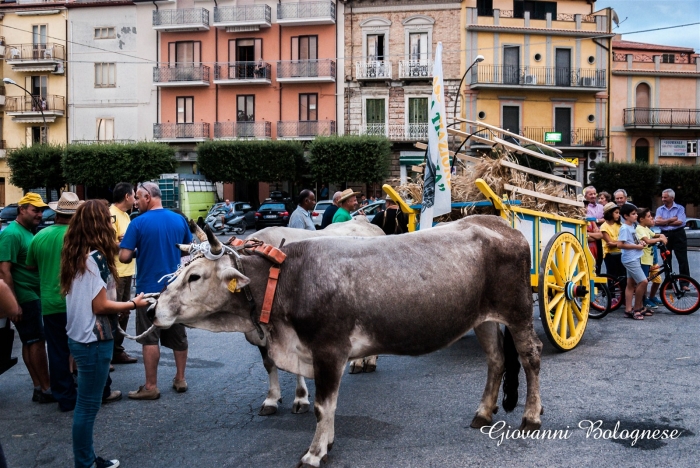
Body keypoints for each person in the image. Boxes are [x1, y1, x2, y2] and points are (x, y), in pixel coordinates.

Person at [60, 200, 148, 468]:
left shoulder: (76, 253)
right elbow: (100, 306)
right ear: (100, 224)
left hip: (79, 337)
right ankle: (85, 462)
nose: (112, 224)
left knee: (85, 406)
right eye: (108, 220)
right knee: (87, 407)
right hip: (93, 340)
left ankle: (85, 459)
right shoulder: (95, 258)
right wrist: (134, 303)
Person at [28, 192, 121, 413]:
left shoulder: (39, 237)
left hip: (50, 302)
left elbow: (31, 267)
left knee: (58, 352)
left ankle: (65, 397)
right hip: (79, 302)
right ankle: (102, 390)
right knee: (92, 344)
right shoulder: (80, 236)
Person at [119, 182, 192, 400]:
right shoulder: (179, 219)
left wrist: (136, 250)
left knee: (150, 338)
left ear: (148, 197)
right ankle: (180, 379)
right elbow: (187, 252)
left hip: (148, 291)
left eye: (139, 197)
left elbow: (123, 256)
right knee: (178, 335)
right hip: (174, 289)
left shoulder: (138, 223)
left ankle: (151, 387)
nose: (136, 202)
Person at [0, 192, 53, 403]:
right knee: (36, 342)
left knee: (30, 341)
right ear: (22, 210)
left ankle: (39, 387)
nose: (39, 214)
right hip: (25, 296)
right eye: (35, 210)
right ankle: (46, 387)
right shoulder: (11, 234)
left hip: (31, 294)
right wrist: (13, 303)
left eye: (41, 210)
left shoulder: (26, 231)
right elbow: (4, 270)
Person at [109, 183, 138, 365]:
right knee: (114, 313)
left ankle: (117, 351)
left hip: (127, 271)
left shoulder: (126, 216)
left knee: (125, 312)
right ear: (127, 196)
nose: (135, 199)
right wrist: (127, 243)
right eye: (134, 195)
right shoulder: (111, 215)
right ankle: (109, 352)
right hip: (116, 272)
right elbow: (107, 243)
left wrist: (127, 242)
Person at [617, 204, 648, 320]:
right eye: (633, 214)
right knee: (643, 282)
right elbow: (620, 244)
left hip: (634, 257)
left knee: (630, 284)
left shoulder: (632, 226)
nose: (636, 216)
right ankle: (637, 308)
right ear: (626, 216)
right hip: (630, 259)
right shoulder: (624, 228)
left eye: (636, 213)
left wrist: (640, 243)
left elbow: (633, 240)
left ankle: (628, 309)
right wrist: (636, 246)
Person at [655, 189, 690, 284]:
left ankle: (685, 283)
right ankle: (668, 283)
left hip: (678, 234)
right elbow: (657, 222)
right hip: (665, 235)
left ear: (672, 198)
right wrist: (670, 220)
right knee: (666, 259)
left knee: (682, 259)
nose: (663, 199)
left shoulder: (680, 208)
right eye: (662, 197)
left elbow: (680, 222)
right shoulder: (659, 209)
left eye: (665, 197)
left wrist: (664, 221)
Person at [635, 208, 666, 310]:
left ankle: (646, 299)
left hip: (648, 259)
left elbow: (653, 235)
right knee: (644, 281)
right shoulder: (639, 228)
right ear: (641, 219)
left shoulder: (646, 228)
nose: (651, 218)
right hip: (643, 259)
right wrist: (660, 238)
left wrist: (661, 235)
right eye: (648, 217)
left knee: (647, 280)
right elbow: (647, 240)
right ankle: (643, 301)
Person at [600, 202, 624, 279]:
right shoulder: (604, 227)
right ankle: (611, 290)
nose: (618, 215)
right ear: (609, 213)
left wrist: (616, 243)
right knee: (612, 273)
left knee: (622, 273)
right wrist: (621, 242)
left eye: (619, 213)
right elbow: (609, 243)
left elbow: (624, 239)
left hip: (621, 252)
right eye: (616, 212)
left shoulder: (620, 225)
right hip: (609, 254)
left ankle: (622, 290)